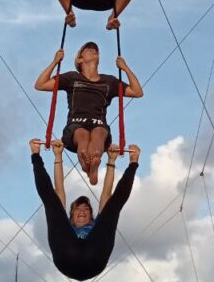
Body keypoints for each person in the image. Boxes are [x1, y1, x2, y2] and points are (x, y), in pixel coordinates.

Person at [29, 138, 140, 281]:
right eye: (78, 208)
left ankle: (133, 164)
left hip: (93, 258)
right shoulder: (65, 227)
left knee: (112, 207)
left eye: (86, 209)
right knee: (53, 203)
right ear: (71, 215)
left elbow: (106, 193)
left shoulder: (96, 225)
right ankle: (35, 157)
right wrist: (58, 156)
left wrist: (111, 160)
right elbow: (59, 189)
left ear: (91, 215)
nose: (82, 210)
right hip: (68, 255)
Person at [35, 41, 143, 184]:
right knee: (82, 134)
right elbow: (40, 85)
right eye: (88, 49)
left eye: (95, 50)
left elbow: (137, 92)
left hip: (99, 123)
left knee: (99, 133)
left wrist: (125, 68)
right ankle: (87, 165)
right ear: (80, 59)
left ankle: (94, 161)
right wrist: (55, 62)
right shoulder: (71, 77)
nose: (93, 50)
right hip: (75, 124)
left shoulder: (109, 81)